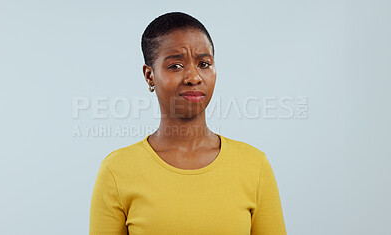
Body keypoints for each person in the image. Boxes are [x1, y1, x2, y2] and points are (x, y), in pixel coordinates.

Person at [90, 12, 287, 235]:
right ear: (149, 76)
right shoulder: (117, 171)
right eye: (175, 66)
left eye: (204, 63)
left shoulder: (254, 166)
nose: (194, 77)